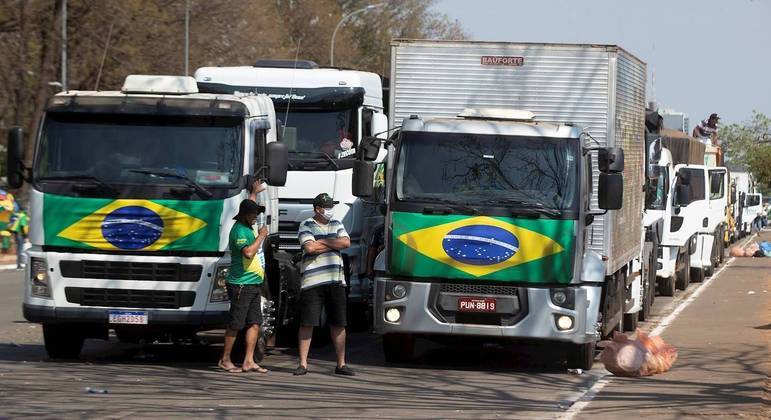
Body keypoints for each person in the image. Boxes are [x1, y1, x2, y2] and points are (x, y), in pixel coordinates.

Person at [294, 192, 354, 376]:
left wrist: (323, 241)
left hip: (335, 280)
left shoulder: (337, 224)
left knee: (338, 322)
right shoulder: (306, 224)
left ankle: (341, 364)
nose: (330, 210)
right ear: (317, 209)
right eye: (327, 207)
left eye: (331, 206)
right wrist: (333, 243)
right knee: (307, 322)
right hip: (312, 281)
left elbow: (347, 242)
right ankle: (303, 364)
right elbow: (309, 248)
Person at [218, 180, 269, 374]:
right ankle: (225, 359)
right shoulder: (240, 230)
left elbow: (249, 205)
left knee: (255, 322)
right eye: (253, 214)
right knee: (236, 323)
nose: (256, 217)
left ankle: (249, 361)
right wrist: (262, 236)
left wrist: (254, 193)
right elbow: (248, 252)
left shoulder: (248, 225)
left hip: (254, 283)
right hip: (241, 284)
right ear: (245, 215)